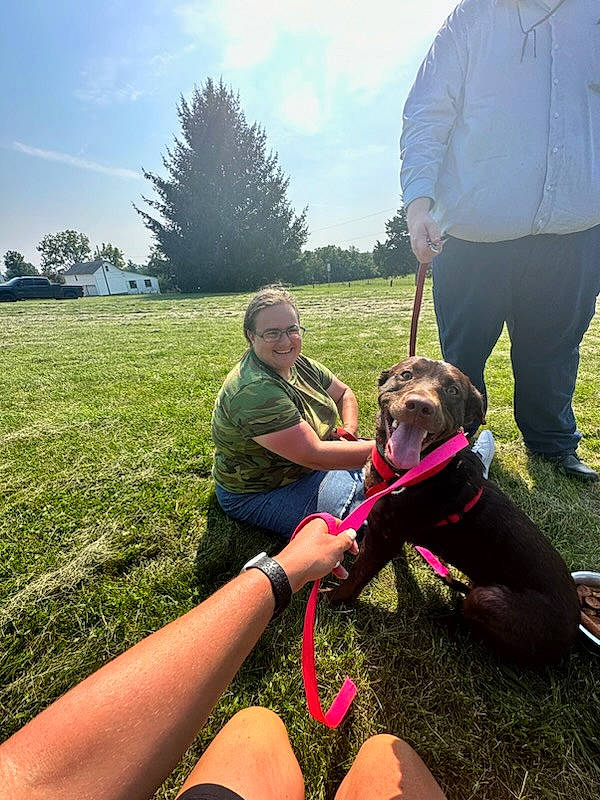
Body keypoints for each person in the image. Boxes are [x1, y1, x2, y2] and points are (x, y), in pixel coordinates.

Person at [0, 518, 447, 800]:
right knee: (387, 757)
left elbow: (36, 781)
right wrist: (286, 566)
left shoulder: (306, 374)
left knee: (256, 724)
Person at [400, 0, 600, 482]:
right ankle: (452, 448)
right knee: (462, 358)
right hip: (472, 235)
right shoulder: (473, 18)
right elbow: (428, 111)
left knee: (555, 349)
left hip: (575, 231)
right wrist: (418, 204)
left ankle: (553, 445)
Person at [212, 285, 375, 537]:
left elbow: (344, 393)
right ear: (251, 336)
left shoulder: (299, 362)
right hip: (265, 489)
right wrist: (390, 453)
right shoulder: (254, 390)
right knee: (363, 525)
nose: (286, 341)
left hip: (313, 465)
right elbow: (314, 454)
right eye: (272, 333)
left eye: (292, 330)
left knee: (382, 492)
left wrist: (349, 432)